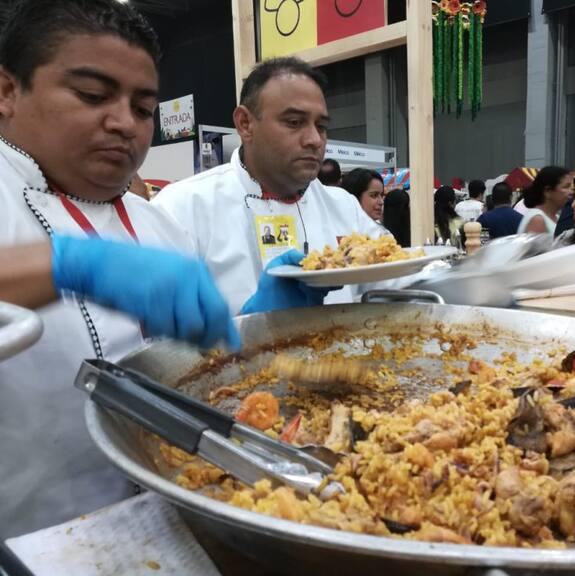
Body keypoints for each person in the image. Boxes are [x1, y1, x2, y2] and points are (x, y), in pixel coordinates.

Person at [0, 0, 324, 540]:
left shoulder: (157, 225)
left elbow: (187, 373)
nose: (124, 123)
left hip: (167, 522)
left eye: (144, 108)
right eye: (92, 95)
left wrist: (252, 330)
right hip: (28, 540)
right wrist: (67, 263)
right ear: (8, 91)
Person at [153, 57, 384, 313]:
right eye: (294, 122)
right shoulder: (183, 209)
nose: (314, 139)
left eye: (321, 126)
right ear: (245, 124)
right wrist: (247, 323)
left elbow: (394, 279)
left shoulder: (343, 207)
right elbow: (157, 326)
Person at [518, 166, 572, 235]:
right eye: (566, 187)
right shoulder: (537, 220)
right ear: (547, 191)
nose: (571, 192)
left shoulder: (557, 217)